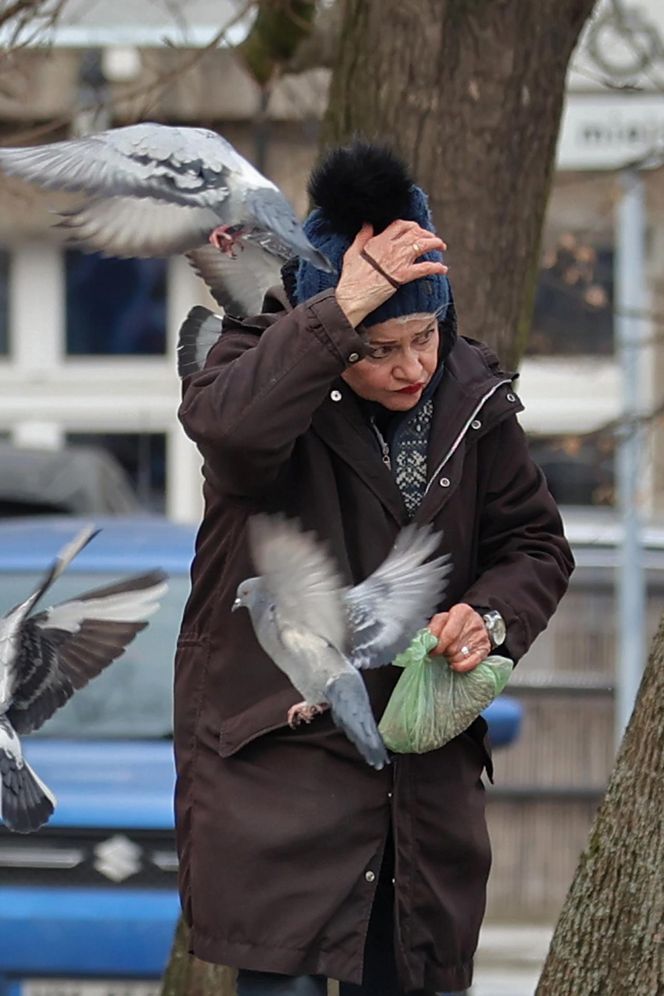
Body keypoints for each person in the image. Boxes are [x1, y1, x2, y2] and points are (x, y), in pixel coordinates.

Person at [174, 141, 574, 996]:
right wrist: (338, 309)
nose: (410, 367)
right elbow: (234, 437)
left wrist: (489, 618)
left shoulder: (472, 394)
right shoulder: (257, 365)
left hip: (422, 798)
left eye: (424, 335)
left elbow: (535, 546)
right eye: (377, 346)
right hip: (280, 784)